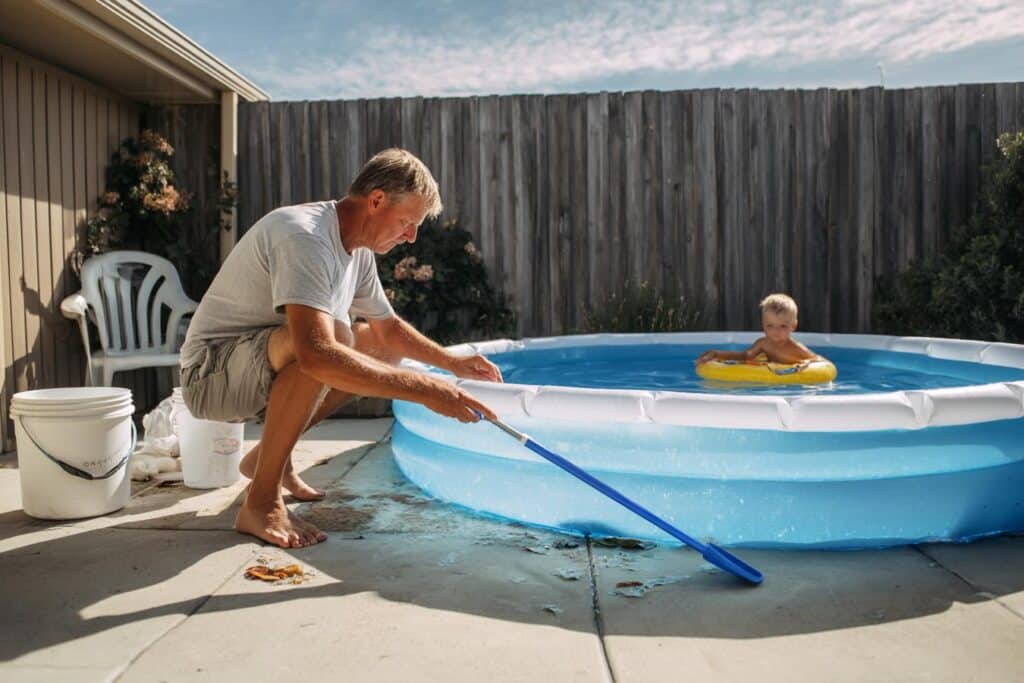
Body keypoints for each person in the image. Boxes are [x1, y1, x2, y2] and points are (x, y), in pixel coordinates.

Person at [179, 148, 501, 549]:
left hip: (256, 363)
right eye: (407, 222)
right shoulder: (305, 236)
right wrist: (428, 390)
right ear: (377, 200)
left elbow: (388, 332)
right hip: (211, 377)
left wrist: (449, 363)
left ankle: (266, 459)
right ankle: (261, 502)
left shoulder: (358, 251)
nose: (411, 236)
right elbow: (314, 353)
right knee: (325, 340)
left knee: (368, 344)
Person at [696, 293, 821, 366]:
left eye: (783, 326)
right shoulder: (763, 344)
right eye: (770, 326)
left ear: (793, 326)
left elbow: (819, 361)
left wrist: (805, 365)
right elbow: (745, 356)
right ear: (763, 325)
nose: (776, 331)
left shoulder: (795, 348)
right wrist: (717, 354)